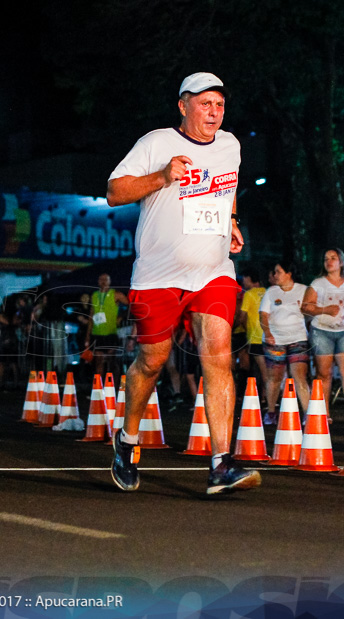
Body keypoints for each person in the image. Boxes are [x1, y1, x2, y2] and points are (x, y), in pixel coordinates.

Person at [105, 71, 259, 494]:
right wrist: (161, 176)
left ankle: (221, 463)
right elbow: (114, 192)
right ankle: (128, 440)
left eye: (220, 105)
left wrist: (230, 220)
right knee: (152, 362)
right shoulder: (156, 143)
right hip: (158, 275)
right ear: (183, 105)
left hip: (212, 272)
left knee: (218, 357)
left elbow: (227, 188)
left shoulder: (230, 145)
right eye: (206, 104)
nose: (214, 113)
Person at [301, 249, 344, 419]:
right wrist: (324, 309)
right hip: (322, 332)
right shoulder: (318, 283)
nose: (329, 261)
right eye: (326, 259)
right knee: (324, 374)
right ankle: (323, 415)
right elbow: (305, 307)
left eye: (333, 258)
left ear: (341, 262)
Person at [260, 259, 311, 418]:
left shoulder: (303, 290)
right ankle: (271, 411)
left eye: (278, 272)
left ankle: (308, 414)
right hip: (274, 341)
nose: (275, 275)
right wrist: (268, 333)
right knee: (274, 378)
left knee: (299, 377)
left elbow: (311, 312)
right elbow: (263, 315)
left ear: (289, 274)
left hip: (298, 339)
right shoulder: (271, 292)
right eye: (274, 272)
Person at [85, 273, 129, 381]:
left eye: (106, 279)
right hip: (97, 333)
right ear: (98, 282)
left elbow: (131, 304)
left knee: (111, 362)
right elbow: (91, 315)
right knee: (99, 362)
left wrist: (122, 317)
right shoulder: (94, 295)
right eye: (101, 279)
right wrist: (87, 336)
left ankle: (116, 387)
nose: (103, 281)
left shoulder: (116, 294)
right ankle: (99, 389)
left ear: (110, 282)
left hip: (111, 333)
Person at [237, 268, 268, 417]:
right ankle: (265, 399)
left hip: (255, 337)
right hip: (270, 336)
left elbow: (242, 317)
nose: (243, 281)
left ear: (250, 278)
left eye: (245, 278)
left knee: (262, 371)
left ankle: (267, 401)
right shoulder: (267, 291)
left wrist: (239, 326)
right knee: (267, 369)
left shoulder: (248, 294)